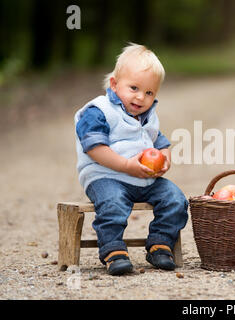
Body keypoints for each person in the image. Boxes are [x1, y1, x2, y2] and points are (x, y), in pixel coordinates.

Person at [74, 43, 188, 275]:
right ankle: (113, 251)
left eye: (149, 93)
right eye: (134, 88)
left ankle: (160, 244)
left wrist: (165, 160)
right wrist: (126, 165)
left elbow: (161, 143)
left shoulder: (147, 116)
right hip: (107, 177)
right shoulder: (99, 110)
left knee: (176, 199)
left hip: (144, 179)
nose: (141, 97)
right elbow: (94, 147)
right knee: (113, 203)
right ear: (114, 84)